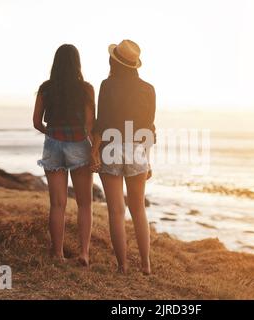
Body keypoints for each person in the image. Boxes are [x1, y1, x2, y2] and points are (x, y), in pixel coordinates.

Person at [91, 40, 156, 275]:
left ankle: (123, 266)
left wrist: (94, 151)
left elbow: (102, 121)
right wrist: (147, 159)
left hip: (111, 147)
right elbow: (149, 128)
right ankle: (146, 265)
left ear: (114, 61)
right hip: (138, 147)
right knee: (138, 209)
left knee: (116, 210)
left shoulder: (107, 85)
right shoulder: (148, 89)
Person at [33, 44, 95, 266]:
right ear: (77, 63)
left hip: (53, 145)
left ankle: (57, 254)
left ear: (56, 62)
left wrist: (52, 134)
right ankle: (84, 254)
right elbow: (89, 124)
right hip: (79, 143)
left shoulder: (46, 88)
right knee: (84, 204)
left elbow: (36, 122)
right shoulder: (86, 89)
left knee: (57, 204)